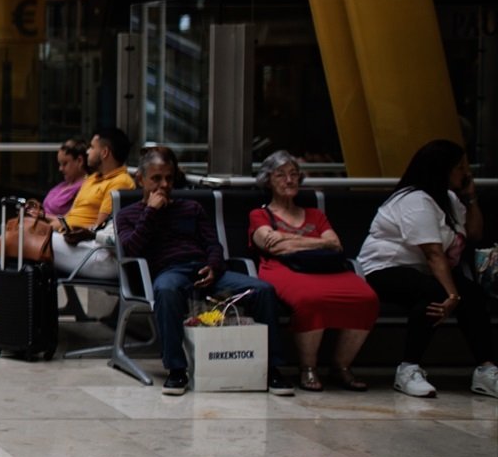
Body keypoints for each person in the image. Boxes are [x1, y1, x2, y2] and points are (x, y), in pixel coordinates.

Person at [116, 147, 287, 395]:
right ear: (140, 179)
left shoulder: (191, 208)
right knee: (166, 290)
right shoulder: (128, 215)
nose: (164, 185)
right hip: (169, 272)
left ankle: (273, 369)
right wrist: (151, 211)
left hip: (206, 270)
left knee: (262, 290)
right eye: (156, 178)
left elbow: (212, 244)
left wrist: (214, 266)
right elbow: (132, 247)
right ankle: (176, 370)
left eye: (169, 178)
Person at [357, 139, 496, 399]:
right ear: (442, 169)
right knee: (435, 294)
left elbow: (475, 234)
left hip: (424, 271)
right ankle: (408, 368)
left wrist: (471, 198)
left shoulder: (449, 199)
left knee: (474, 296)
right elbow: (433, 254)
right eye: (459, 167)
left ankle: (486, 370)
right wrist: (452, 296)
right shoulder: (415, 200)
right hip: (385, 269)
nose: (466, 173)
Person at [248, 150, 378, 392]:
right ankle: (308, 368)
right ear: (268, 180)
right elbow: (272, 246)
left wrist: (289, 240)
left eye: (294, 174)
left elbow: (335, 244)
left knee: (366, 298)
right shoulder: (260, 215)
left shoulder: (315, 214)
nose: (289, 180)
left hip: (327, 268)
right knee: (310, 300)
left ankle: (342, 367)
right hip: (281, 269)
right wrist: (317, 241)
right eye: (281, 175)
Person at [0, 137, 87, 325]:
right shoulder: (63, 185)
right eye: (59, 164)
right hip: (33, 224)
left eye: (65, 164)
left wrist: (43, 217)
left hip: (41, 231)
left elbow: (70, 218)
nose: (61, 169)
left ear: (80, 161)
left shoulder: (82, 187)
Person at [46, 126, 138, 281]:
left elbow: (98, 228)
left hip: (94, 250)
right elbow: (70, 217)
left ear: (104, 152)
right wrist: (43, 220)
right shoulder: (92, 179)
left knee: (22, 238)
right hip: (72, 241)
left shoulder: (121, 182)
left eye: (92, 147)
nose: (87, 151)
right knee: (18, 232)